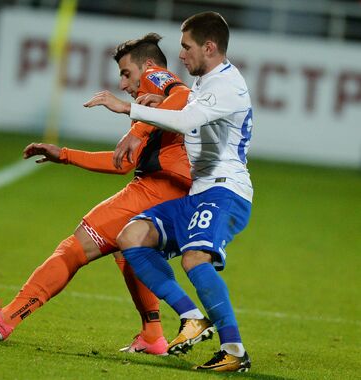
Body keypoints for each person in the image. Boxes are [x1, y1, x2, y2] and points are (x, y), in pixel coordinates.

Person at [0, 33, 215, 356]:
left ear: (147, 66)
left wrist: (137, 129)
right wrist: (63, 154)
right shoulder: (151, 108)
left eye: (125, 73)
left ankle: (5, 319)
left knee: (74, 248)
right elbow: (122, 163)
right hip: (170, 195)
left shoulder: (154, 78)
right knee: (126, 250)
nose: (123, 84)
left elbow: (182, 93)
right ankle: (152, 335)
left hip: (157, 191)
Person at [84, 12, 254, 372]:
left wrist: (127, 107)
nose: (181, 55)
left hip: (226, 192)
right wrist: (158, 104)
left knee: (195, 259)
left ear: (209, 47)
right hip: (202, 192)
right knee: (132, 236)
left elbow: (189, 121)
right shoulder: (207, 82)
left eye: (186, 47)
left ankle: (235, 351)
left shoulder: (227, 86)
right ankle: (192, 318)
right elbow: (191, 112)